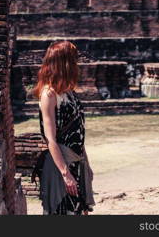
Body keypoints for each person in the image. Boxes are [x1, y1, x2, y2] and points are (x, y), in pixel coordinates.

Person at [33, 40, 95, 215]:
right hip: (61, 164)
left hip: (76, 161)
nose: (76, 65)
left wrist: (86, 164)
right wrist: (65, 174)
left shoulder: (69, 92)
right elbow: (50, 138)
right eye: (73, 60)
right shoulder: (48, 94)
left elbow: (78, 131)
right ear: (65, 63)